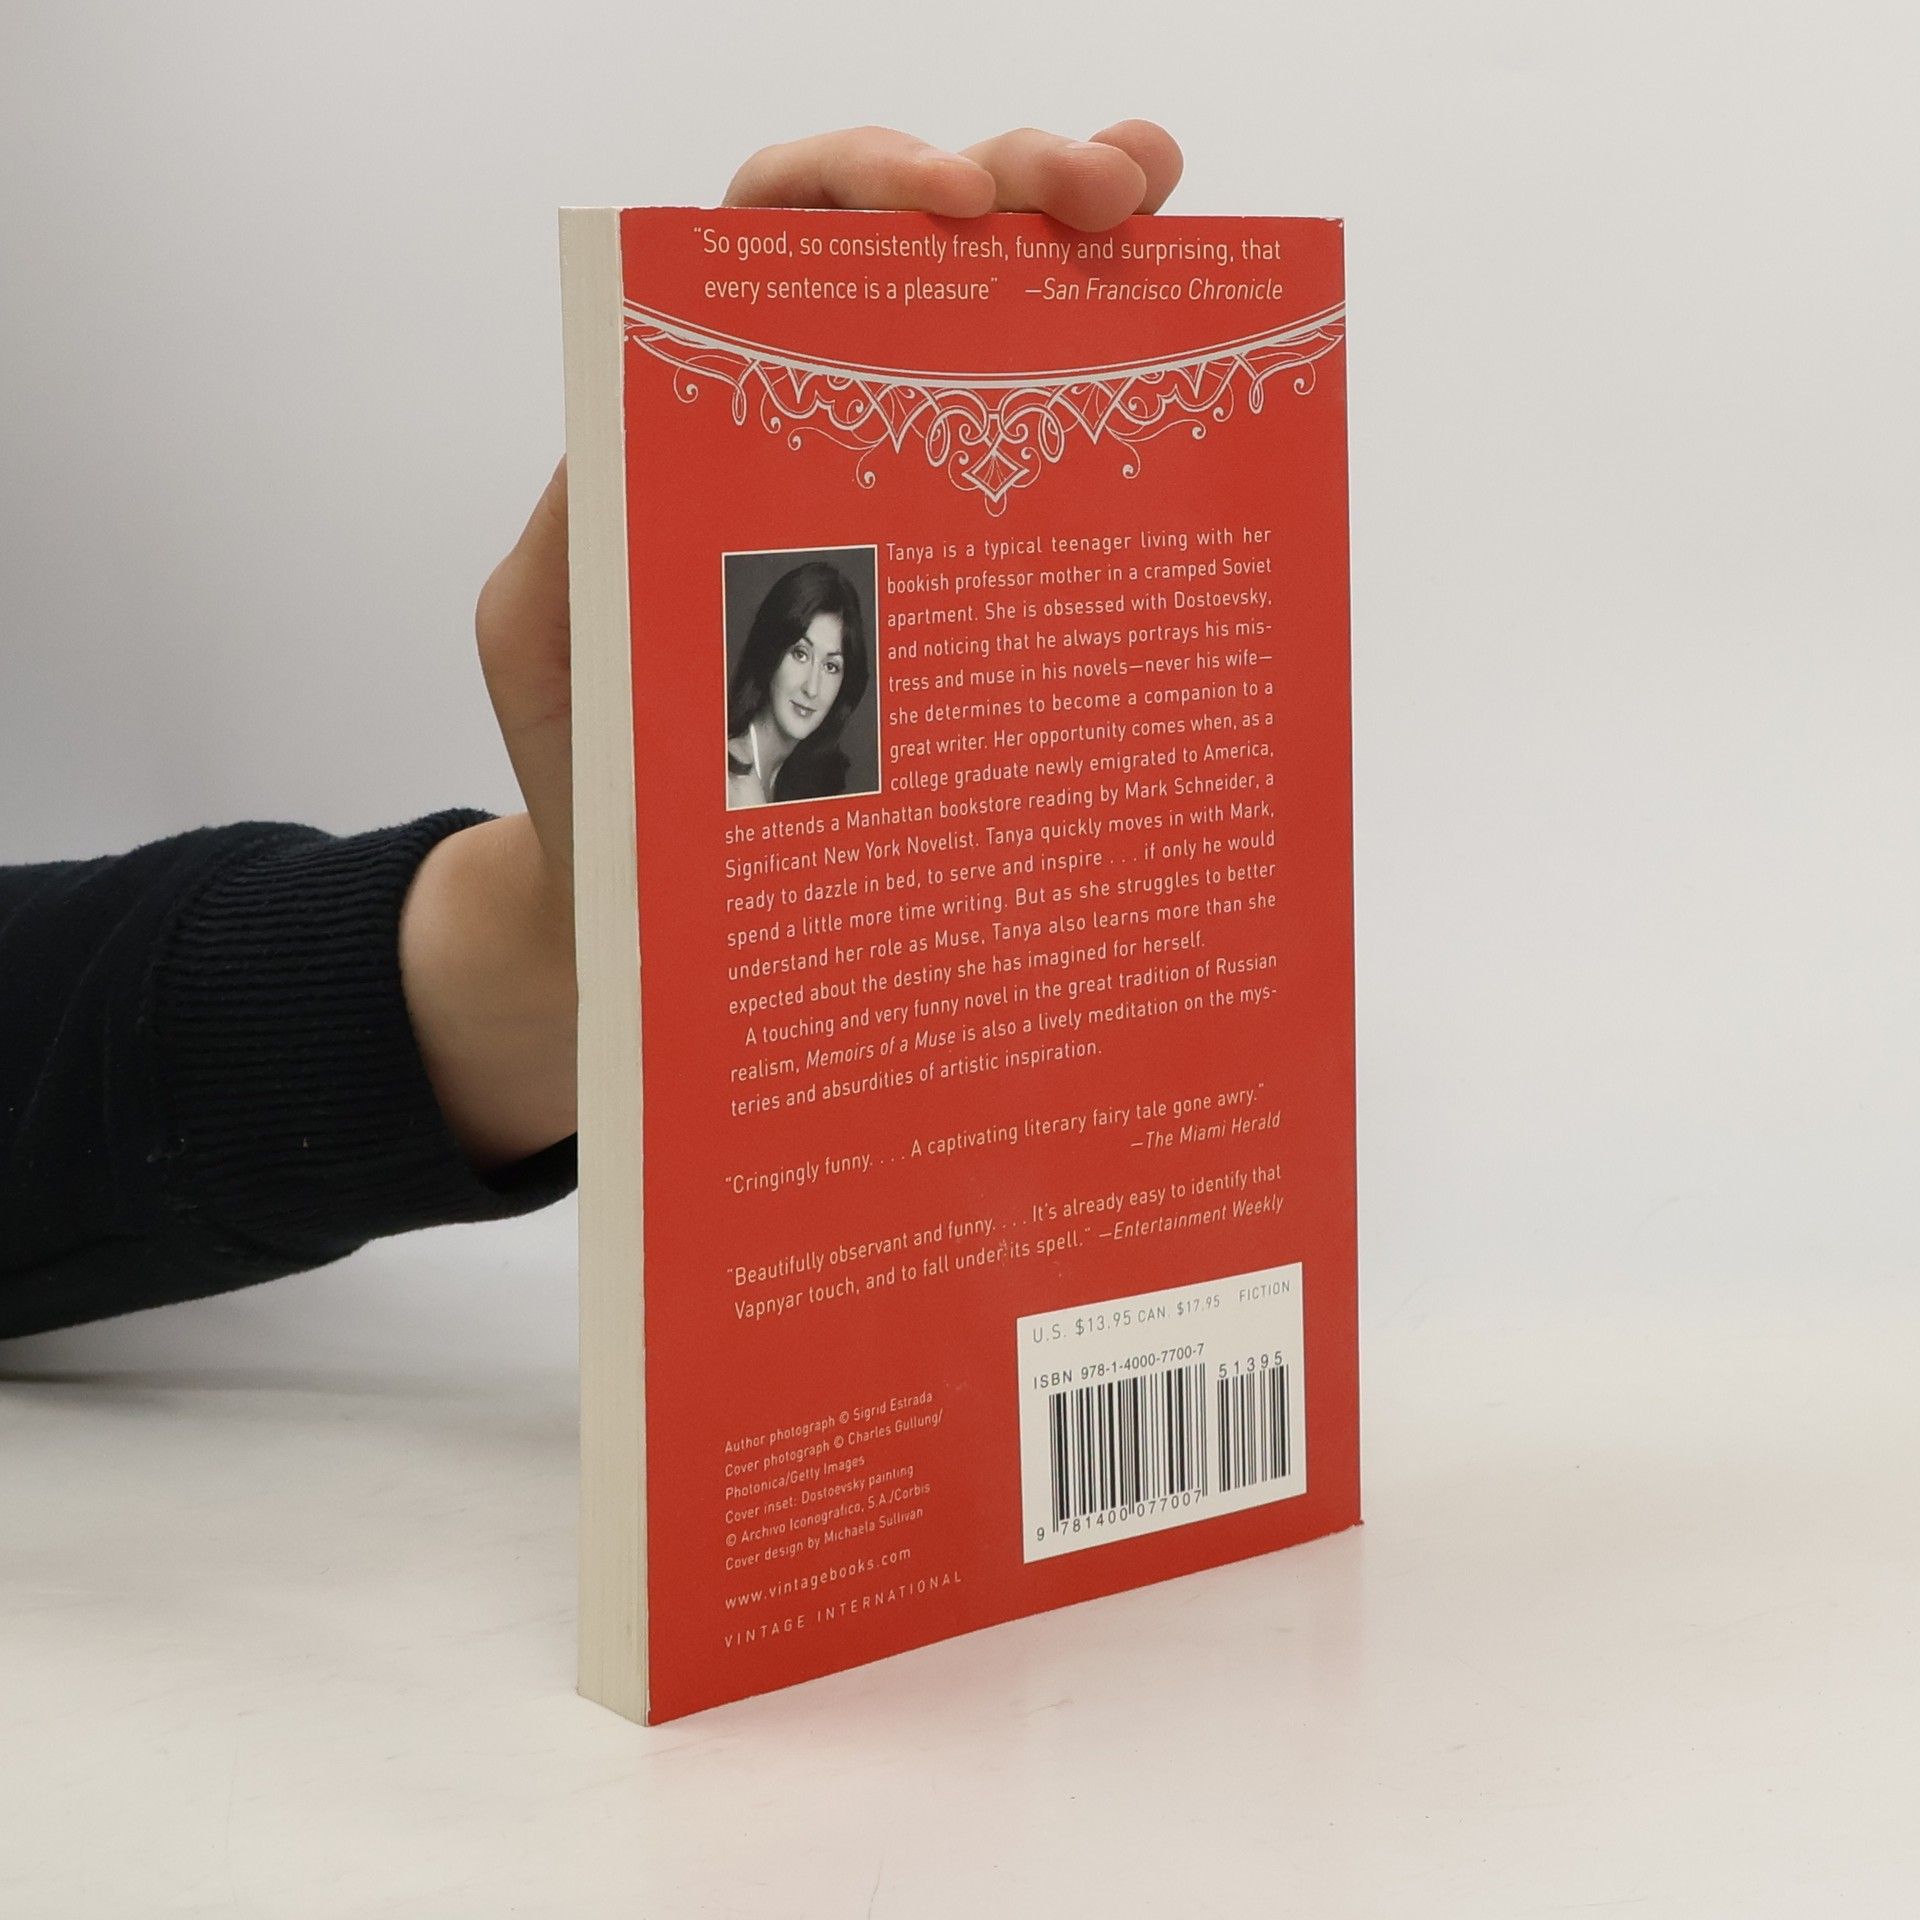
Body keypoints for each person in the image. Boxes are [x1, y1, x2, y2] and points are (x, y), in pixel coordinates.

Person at [0, 119, 1185, 1342]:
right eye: (800, 648)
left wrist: (573, 944)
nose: (815, 679)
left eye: (839, 662)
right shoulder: (743, 770)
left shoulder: (842, 789)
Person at [725, 560, 872, 807]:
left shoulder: (800, 778)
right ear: (771, 650)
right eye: (800, 654)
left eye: (831, 666)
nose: (812, 689)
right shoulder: (730, 784)